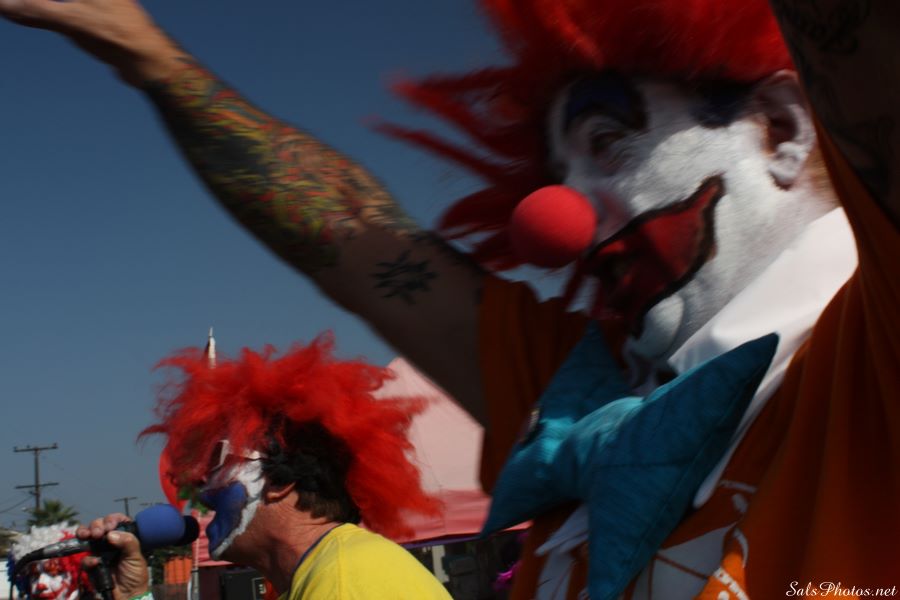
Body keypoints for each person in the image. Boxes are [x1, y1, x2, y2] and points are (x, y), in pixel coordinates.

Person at [0, 0, 897, 598]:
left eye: (609, 143)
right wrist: (149, 57)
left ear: (780, 128)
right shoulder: (575, 394)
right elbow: (353, 235)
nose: (557, 219)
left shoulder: (870, 353)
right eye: (559, 173)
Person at [79, 335, 451, 600]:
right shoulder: (326, 573)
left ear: (278, 480)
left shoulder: (347, 582)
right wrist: (132, 595)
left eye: (217, 458)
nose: (200, 482)